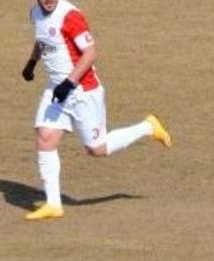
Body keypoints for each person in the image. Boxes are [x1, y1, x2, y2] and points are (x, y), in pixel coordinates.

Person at [22, 0, 171, 221]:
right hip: (57, 88)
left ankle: (148, 127)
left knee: (97, 148)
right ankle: (53, 205)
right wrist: (32, 62)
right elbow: (43, 39)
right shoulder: (35, 13)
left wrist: (69, 83)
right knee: (45, 137)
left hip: (82, 90)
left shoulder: (70, 16)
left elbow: (90, 53)